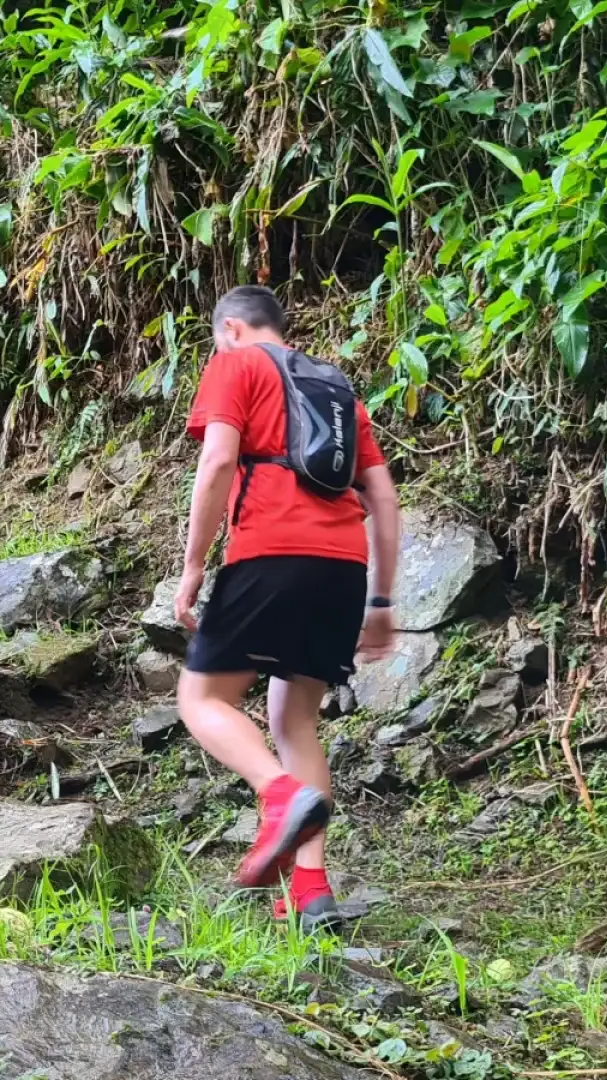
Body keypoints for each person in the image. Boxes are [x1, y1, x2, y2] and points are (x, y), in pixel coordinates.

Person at [175, 284, 400, 930]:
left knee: (202, 698)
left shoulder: (237, 363)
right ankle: (311, 891)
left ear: (231, 330)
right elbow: (383, 498)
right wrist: (382, 601)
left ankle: (279, 796)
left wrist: (194, 564)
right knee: (294, 719)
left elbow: (219, 459)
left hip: (272, 552)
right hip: (344, 569)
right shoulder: (337, 392)